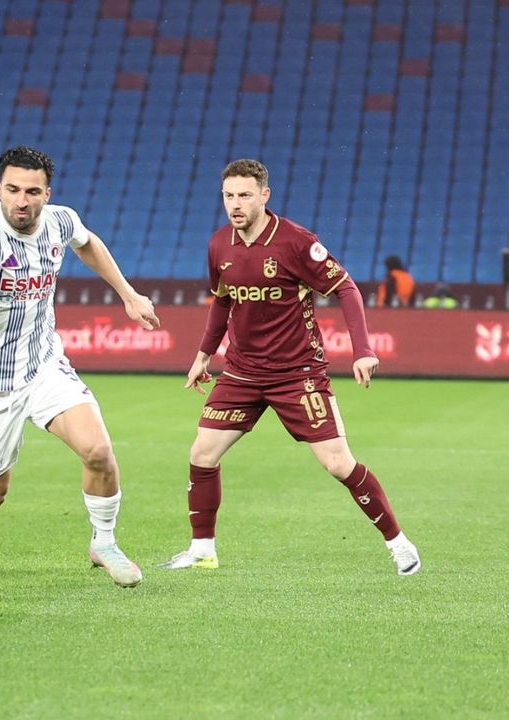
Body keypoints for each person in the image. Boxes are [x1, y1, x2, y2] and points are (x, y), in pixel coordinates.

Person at [159, 159, 420, 576]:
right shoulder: (219, 244)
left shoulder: (296, 242)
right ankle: (202, 550)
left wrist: (362, 349)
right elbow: (223, 301)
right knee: (202, 454)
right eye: (228, 196)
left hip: (297, 374)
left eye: (245, 195)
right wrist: (203, 356)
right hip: (242, 372)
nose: (235, 204)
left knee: (338, 463)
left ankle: (399, 543)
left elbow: (346, 288)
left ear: (265, 195)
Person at [0, 146, 160, 591]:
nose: (21, 200)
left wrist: (128, 294)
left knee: (98, 450)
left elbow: (88, 243)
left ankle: (104, 542)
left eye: (32, 191)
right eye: (12, 190)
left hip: (43, 363)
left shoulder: (61, 220)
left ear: (47, 193)